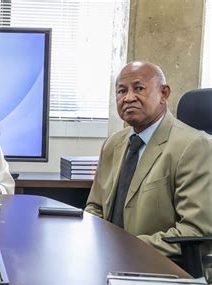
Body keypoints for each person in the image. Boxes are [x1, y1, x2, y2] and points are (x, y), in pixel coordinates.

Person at [85, 61, 211, 257]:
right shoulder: (113, 144)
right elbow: (95, 206)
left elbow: (196, 232)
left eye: (139, 88)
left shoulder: (193, 146)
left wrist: (125, 246)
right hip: (109, 259)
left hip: (163, 268)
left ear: (164, 94)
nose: (128, 98)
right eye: (121, 91)